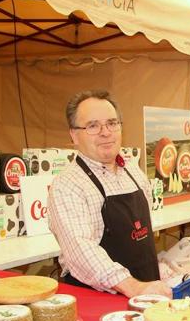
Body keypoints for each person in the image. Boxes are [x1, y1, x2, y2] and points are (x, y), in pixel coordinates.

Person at [48, 90, 171, 298]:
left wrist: (153, 271)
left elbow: (142, 237)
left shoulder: (133, 170)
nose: (106, 132)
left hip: (146, 293)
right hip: (100, 300)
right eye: (93, 126)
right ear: (74, 135)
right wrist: (134, 286)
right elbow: (81, 251)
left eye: (112, 123)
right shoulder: (67, 185)